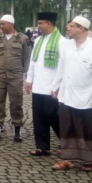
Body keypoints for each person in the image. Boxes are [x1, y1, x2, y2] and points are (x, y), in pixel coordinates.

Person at [51, 16, 92, 172]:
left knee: (88, 128)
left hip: (87, 95)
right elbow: (60, 67)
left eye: (71, 26)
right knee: (67, 127)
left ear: (81, 28)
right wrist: (55, 86)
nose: (67, 28)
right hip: (67, 94)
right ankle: (67, 159)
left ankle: (88, 160)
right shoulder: (65, 46)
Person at [0, 14, 31, 142]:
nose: (0, 26)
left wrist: (28, 75)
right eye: (0, 23)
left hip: (16, 75)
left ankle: (17, 128)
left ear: (11, 24)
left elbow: (28, 58)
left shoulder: (23, 38)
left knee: (16, 102)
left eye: (3, 23)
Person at [25, 12, 64, 156]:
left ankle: (66, 141)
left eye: (40, 23)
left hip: (53, 87)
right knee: (39, 117)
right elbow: (33, 62)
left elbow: (63, 66)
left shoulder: (62, 41)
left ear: (49, 23)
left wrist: (58, 86)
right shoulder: (38, 40)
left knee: (53, 115)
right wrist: (29, 80)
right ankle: (42, 146)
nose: (38, 26)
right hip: (38, 85)